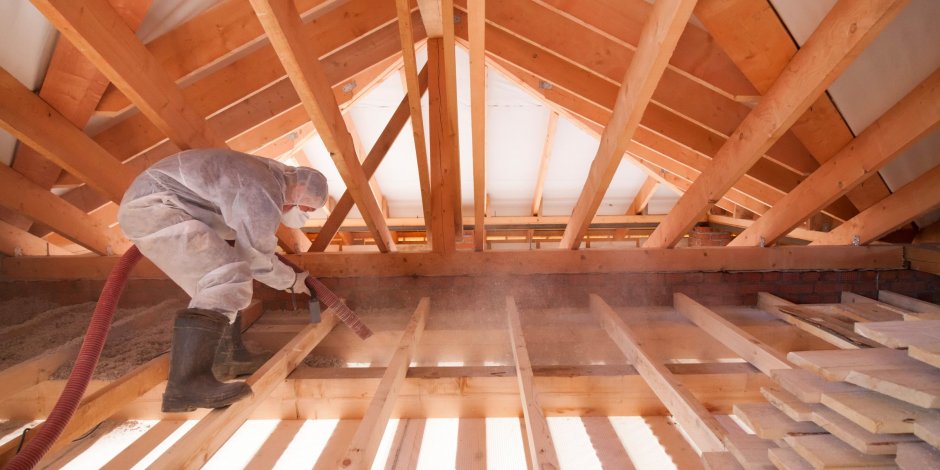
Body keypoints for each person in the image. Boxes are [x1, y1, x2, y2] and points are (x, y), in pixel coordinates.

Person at [117, 149, 327, 412]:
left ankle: (228, 357)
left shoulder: (263, 177)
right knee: (225, 279)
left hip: (159, 203)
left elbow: (246, 250)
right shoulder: (263, 191)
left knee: (227, 276)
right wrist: (292, 281)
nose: (302, 216)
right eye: (306, 209)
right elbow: (257, 259)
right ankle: (186, 385)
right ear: (299, 193)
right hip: (157, 207)